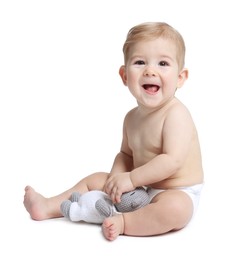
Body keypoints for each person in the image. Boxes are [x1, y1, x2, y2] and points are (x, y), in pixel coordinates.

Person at [23, 22, 204, 241]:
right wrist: (117, 177)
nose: (150, 70)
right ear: (125, 75)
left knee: (176, 209)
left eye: (163, 63)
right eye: (139, 62)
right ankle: (49, 206)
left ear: (180, 77)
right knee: (96, 179)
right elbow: (126, 155)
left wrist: (132, 179)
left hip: (176, 190)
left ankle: (126, 222)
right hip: (140, 187)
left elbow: (171, 161)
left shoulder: (176, 115)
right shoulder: (131, 118)